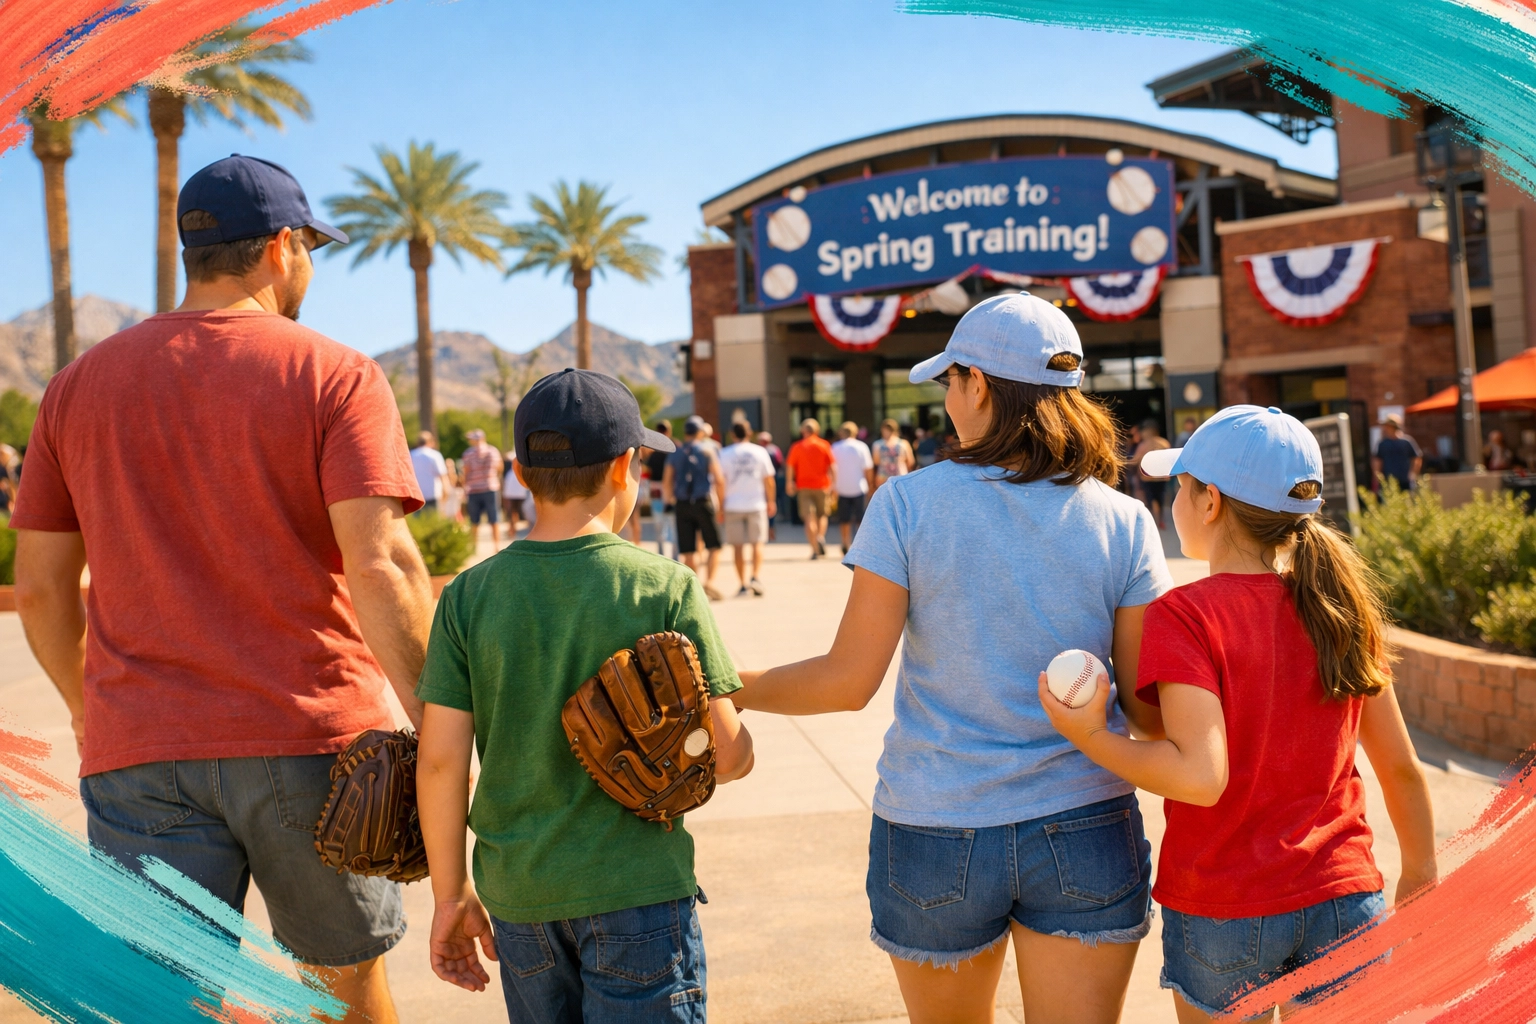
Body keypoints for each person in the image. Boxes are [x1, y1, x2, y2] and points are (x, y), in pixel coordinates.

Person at [11, 154, 430, 1023]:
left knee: (162, 1004)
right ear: (281, 247)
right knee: (343, 992)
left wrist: (90, 707)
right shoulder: (337, 374)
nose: (311, 264)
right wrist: (438, 718)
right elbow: (382, 563)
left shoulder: (76, 388)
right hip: (311, 742)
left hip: (140, 751)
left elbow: (44, 589)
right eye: (311, 246)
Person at [733, 294, 1171, 1024]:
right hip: (1086, 824)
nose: (947, 400)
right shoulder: (1123, 518)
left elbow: (847, 683)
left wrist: (731, 686)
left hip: (936, 828)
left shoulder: (907, 504)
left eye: (950, 380)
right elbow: (1151, 714)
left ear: (980, 386)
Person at [1042, 406, 1437, 1021]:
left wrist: (1088, 732)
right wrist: (1421, 870)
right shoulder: (1342, 608)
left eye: (1181, 487)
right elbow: (1403, 771)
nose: (1173, 503)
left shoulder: (1186, 615)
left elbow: (1199, 776)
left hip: (1225, 906)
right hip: (1345, 896)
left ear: (1211, 503)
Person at [415, 368, 754, 1020]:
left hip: (521, 899)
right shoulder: (665, 586)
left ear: (519, 471)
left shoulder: (467, 596)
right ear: (625, 466)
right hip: (639, 891)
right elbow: (728, 756)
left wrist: (450, 894)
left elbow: (440, 762)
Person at [663, 417, 727, 600]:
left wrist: (670, 501)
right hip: (703, 501)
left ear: (685, 432)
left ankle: (695, 587)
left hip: (682, 504)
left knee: (689, 549)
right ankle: (710, 582)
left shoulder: (675, 453)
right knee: (714, 546)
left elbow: (667, 481)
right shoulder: (707, 451)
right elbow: (719, 480)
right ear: (700, 432)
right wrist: (721, 506)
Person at [719, 421, 777, 596]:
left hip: (733, 505)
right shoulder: (760, 452)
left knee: (737, 546)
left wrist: (721, 506)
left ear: (732, 434)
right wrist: (771, 500)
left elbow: (720, 483)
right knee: (757, 543)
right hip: (756, 503)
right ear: (749, 433)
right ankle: (755, 577)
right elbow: (769, 480)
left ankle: (743, 583)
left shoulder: (724, 453)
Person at [785, 418, 836, 559]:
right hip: (822, 485)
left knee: (809, 518)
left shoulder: (797, 446)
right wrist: (833, 484)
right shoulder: (824, 445)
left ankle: (814, 548)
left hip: (803, 486)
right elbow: (832, 466)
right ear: (817, 430)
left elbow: (790, 466)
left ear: (802, 431)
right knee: (823, 515)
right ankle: (819, 537)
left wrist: (789, 482)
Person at [831, 421, 875, 554]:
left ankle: (845, 542)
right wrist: (871, 485)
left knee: (844, 519)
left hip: (841, 487)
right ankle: (860, 544)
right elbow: (868, 468)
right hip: (859, 486)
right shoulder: (861, 447)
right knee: (860, 519)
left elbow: (831, 469)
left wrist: (832, 487)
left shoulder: (835, 447)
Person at [461, 428, 502, 547]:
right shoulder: (493, 451)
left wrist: (465, 486)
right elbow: (499, 468)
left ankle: (474, 546)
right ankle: (497, 546)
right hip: (491, 488)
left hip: (474, 489)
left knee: (474, 520)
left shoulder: (468, 453)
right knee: (494, 518)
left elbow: (466, 472)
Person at [645, 420, 678, 559]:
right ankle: (674, 555)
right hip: (671, 489)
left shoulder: (652, 452)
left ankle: (661, 553)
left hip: (656, 489)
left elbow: (648, 470)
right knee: (672, 523)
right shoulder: (674, 449)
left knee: (659, 523)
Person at [1132, 419, 1172, 530]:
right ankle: (1160, 520)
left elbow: (1135, 460)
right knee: (1160, 498)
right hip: (1162, 477)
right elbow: (1169, 459)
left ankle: (1155, 520)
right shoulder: (1164, 443)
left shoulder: (1143, 445)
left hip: (1147, 477)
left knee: (1152, 499)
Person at [1372, 414, 1422, 493]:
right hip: (1388, 481)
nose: (1385, 428)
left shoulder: (1407, 442)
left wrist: (1413, 473)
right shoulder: (1382, 444)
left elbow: (1416, 458)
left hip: (1405, 481)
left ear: (1393, 427)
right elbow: (1377, 461)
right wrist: (1377, 478)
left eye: (1387, 426)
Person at [872, 417, 916, 492]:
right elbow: (911, 462)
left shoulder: (877, 444)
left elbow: (876, 462)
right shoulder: (903, 443)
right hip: (900, 476)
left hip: (883, 478)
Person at [411, 431, 450, 514]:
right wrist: (446, 492)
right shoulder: (435, 455)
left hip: (416, 497)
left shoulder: (411, 455)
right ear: (431, 442)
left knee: (418, 524)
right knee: (434, 522)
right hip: (433, 495)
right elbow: (442, 475)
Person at [757, 430, 784, 541]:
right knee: (772, 503)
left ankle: (767, 530)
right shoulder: (775, 450)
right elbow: (780, 463)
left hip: (761, 482)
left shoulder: (758, 451)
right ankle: (770, 531)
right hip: (773, 480)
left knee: (765, 505)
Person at [501, 449, 531, 534]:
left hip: (516, 494)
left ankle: (513, 530)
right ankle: (513, 530)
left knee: (513, 512)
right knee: (517, 512)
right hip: (519, 494)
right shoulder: (512, 473)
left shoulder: (511, 473)